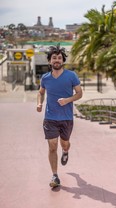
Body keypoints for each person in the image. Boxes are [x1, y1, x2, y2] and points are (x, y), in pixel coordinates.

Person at [37, 45, 83, 188]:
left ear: (62, 60)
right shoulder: (45, 78)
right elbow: (41, 92)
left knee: (64, 143)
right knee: (52, 146)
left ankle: (66, 150)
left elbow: (79, 93)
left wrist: (67, 100)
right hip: (50, 118)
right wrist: (39, 103)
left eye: (59, 58)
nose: (56, 60)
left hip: (66, 118)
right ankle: (55, 176)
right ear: (50, 61)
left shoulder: (71, 76)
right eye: (54, 58)